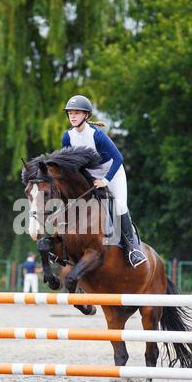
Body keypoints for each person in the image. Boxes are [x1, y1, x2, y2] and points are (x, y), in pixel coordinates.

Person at [61, 94, 147, 268]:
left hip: (112, 173)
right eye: (70, 113)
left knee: (120, 206)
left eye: (77, 112)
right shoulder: (67, 136)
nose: (73, 116)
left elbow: (118, 158)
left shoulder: (97, 135)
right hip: (90, 174)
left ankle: (133, 249)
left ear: (86, 115)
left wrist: (106, 181)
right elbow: (69, 164)